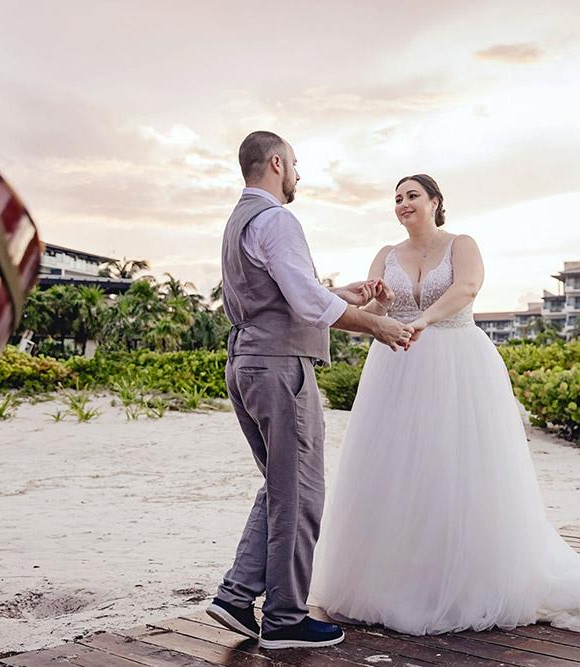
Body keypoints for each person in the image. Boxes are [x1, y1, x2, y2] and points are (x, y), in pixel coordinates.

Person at [309, 174, 580, 643]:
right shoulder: (385, 256)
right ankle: (393, 581)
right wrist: (385, 308)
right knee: (396, 472)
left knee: (458, 470)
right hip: (396, 369)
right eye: (397, 198)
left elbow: (466, 290)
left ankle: (461, 580)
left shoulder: (461, 244)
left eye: (411, 195)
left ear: (435, 202)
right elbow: (377, 318)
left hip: (457, 363)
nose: (402, 204)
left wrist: (422, 319)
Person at [207, 131, 415, 650]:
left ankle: (236, 598)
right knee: (300, 491)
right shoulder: (278, 218)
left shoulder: (240, 220)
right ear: (277, 163)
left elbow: (284, 291)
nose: (298, 174)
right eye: (295, 164)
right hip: (279, 367)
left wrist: (342, 294)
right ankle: (284, 619)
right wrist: (376, 325)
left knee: (280, 484)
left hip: (246, 363)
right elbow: (302, 301)